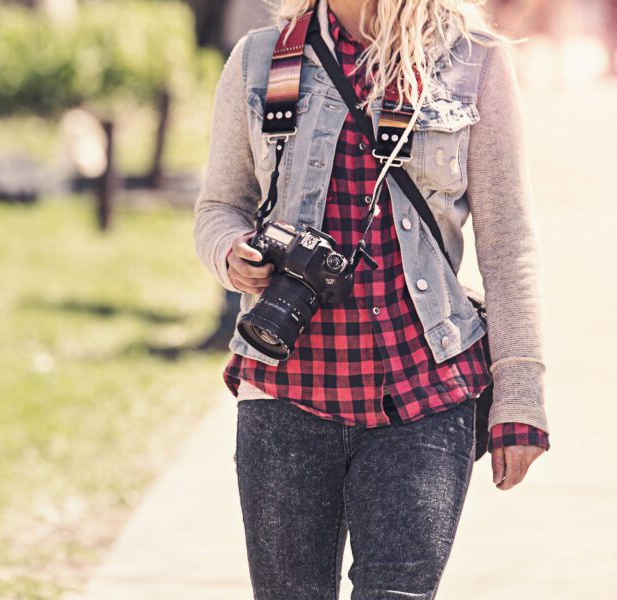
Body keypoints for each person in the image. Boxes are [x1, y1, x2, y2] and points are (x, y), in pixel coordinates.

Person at [192, 0, 552, 597]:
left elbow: (510, 246)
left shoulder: (472, 60)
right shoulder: (262, 60)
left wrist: (521, 396)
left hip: (424, 395)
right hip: (286, 393)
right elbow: (218, 207)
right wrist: (232, 252)